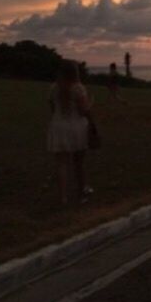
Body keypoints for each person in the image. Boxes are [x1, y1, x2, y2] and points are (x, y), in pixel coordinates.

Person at [47, 60, 97, 206]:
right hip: (76, 127)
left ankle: (63, 197)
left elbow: (52, 107)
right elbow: (83, 111)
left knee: (61, 164)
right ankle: (82, 192)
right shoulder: (78, 88)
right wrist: (90, 106)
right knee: (79, 163)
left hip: (58, 126)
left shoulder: (53, 88)